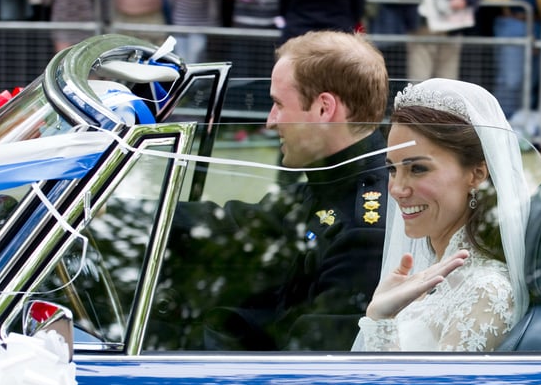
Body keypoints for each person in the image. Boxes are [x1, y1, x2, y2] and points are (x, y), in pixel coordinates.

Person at [156, 30, 390, 352]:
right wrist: (107, 211)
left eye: (278, 104)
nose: (269, 121)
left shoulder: (365, 228)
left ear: (324, 109)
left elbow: (307, 364)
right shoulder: (329, 182)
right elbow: (232, 226)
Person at [356, 78, 530, 352]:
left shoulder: (486, 291)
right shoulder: (423, 268)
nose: (397, 189)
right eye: (392, 169)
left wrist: (381, 322)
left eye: (418, 169)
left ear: (476, 174)